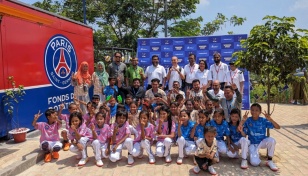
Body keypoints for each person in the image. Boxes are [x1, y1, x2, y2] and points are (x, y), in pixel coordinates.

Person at [238, 103, 280, 171]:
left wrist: (270, 119)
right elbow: (244, 135)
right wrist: (242, 122)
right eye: (252, 110)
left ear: (260, 112)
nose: (254, 112)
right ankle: (245, 158)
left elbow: (278, 127)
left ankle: (269, 161)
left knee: (272, 140)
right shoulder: (248, 120)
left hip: (261, 142)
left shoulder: (263, 120)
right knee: (254, 163)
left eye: (256, 110)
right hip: (252, 143)